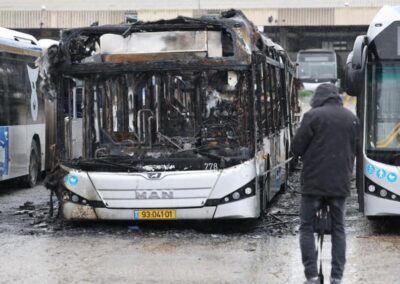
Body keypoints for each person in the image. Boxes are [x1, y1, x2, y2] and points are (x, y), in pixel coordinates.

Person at [291, 83, 359, 284]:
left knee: (305, 227)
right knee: (339, 228)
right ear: (337, 97)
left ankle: (312, 276)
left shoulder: (312, 116)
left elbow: (296, 148)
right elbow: (356, 150)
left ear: (317, 98)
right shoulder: (352, 119)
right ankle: (336, 277)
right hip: (340, 184)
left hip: (313, 184)